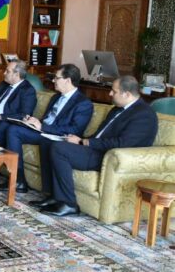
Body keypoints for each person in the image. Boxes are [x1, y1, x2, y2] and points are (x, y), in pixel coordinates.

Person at [36, 76, 157, 217]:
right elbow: (100, 134)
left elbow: (123, 143)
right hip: (96, 149)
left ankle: (69, 204)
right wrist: (80, 140)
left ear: (127, 94)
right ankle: (54, 196)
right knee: (48, 142)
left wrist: (86, 142)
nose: (110, 94)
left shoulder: (144, 114)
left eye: (114, 91)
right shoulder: (117, 109)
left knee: (59, 149)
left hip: (109, 157)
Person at [0, 64, 93, 194]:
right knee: (12, 128)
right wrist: (32, 121)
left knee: (22, 133)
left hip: (57, 137)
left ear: (68, 80)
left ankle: (44, 191)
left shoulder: (83, 103)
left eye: (57, 78)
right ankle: (18, 180)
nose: (53, 80)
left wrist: (42, 126)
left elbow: (74, 130)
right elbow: (48, 119)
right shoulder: (55, 97)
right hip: (42, 131)